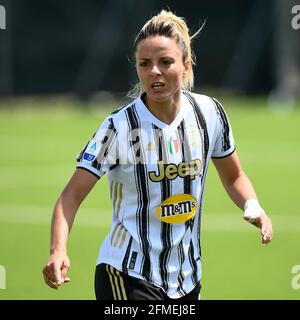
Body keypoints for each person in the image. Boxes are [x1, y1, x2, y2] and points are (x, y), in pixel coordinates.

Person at [42, 10, 273, 300]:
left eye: (165, 62)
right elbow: (70, 197)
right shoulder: (119, 127)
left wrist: (253, 206)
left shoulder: (210, 114)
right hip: (126, 275)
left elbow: (234, 175)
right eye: (144, 63)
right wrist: (58, 249)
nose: (154, 72)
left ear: (186, 65)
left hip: (187, 279)